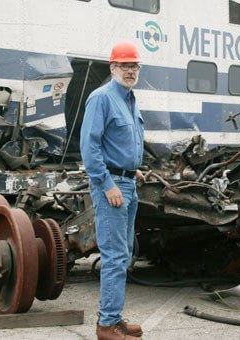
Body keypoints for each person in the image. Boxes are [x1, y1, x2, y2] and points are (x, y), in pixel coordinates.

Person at [80, 42, 144, 340]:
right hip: (113, 187)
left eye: (134, 65)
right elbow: (89, 148)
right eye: (124, 65)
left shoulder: (130, 99)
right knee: (115, 255)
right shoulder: (101, 98)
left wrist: (134, 168)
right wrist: (108, 184)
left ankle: (115, 319)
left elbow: (119, 143)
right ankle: (106, 326)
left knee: (124, 254)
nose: (130, 70)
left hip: (128, 182)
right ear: (112, 68)